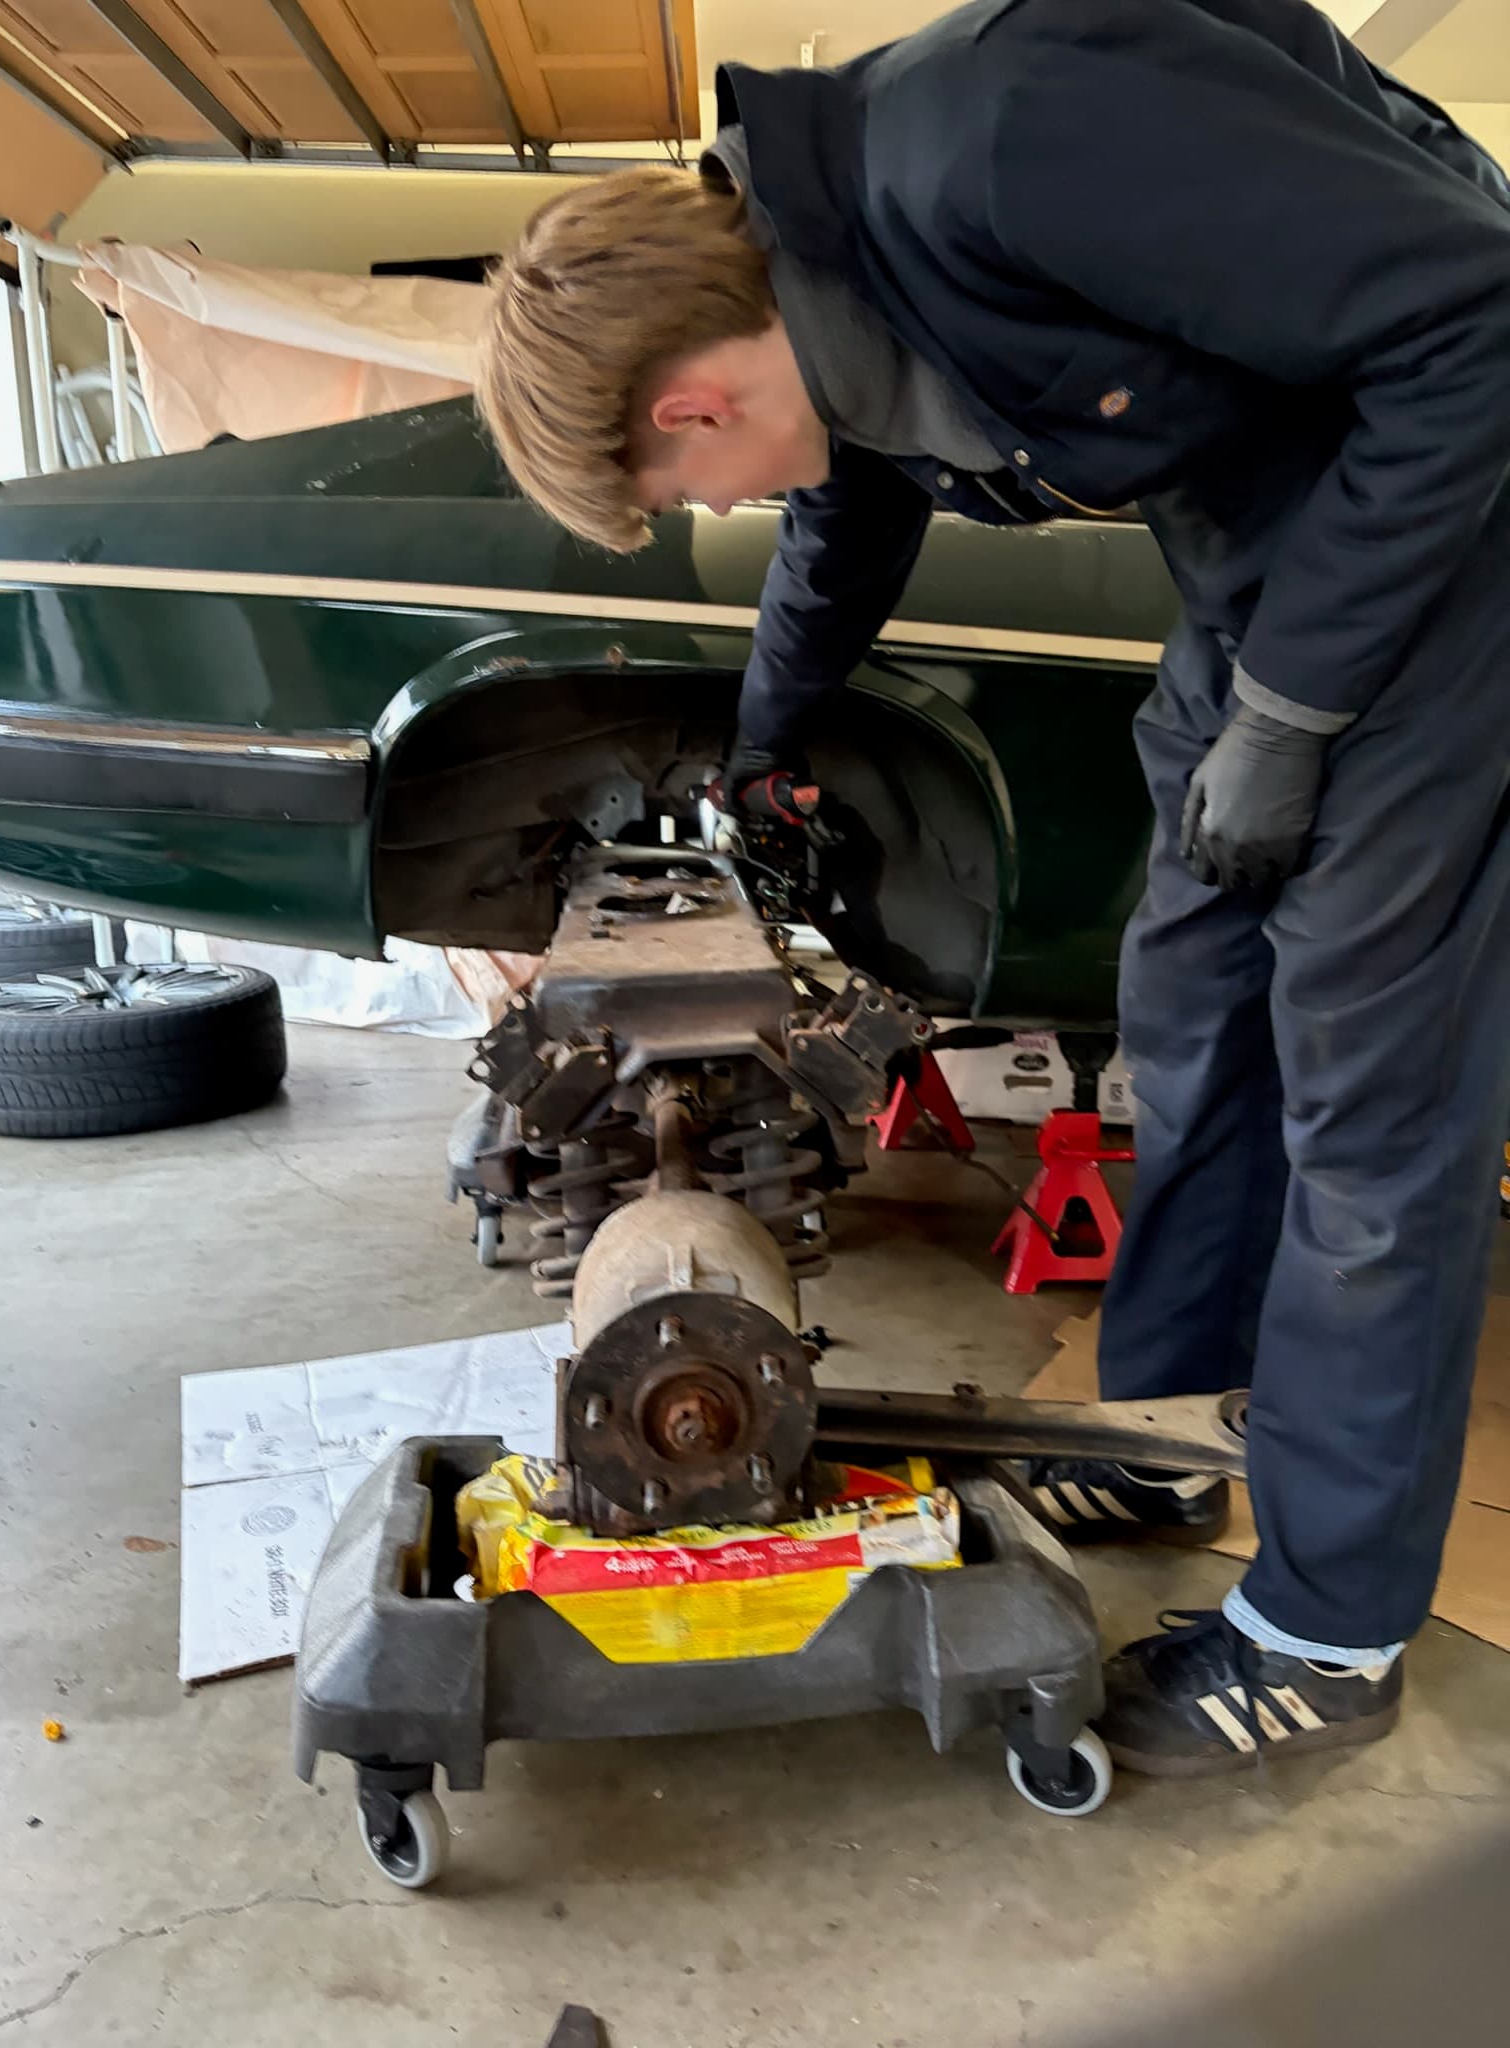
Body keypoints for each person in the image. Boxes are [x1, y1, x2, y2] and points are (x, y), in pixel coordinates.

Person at [478, 0, 1510, 1776]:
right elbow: (844, 511)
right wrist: (764, 737)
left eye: (683, 486)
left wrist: (1296, 703)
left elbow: (1481, 322)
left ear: (691, 398)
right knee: (1187, 1009)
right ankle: (1159, 1433)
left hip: (1456, 533)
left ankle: (1329, 1635)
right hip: (1273, 546)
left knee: (1365, 1099)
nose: (719, 497)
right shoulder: (827, 282)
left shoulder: (1008, 144)